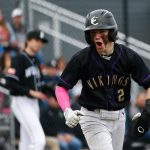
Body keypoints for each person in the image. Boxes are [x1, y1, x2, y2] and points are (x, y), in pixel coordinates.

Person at [55, 9, 150, 150]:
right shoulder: (82, 58)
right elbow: (61, 87)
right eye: (93, 32)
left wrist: (148, 112)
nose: (97, 36)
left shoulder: (128, 56)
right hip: (93, 118)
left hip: (119, 118)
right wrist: (67, 110)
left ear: (112, 32)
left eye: (102, 31)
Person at [5, 30, 49, 150]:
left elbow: (40, 84)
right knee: (39, 141)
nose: (39, 44)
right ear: (28, 41)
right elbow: (10, 83)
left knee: (26, 142)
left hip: (34, 103)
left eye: (41, 42)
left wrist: (51, 89)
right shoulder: (18, 58)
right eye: (36, 40)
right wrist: (31, 92)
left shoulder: (36, 61)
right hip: (21, 101)